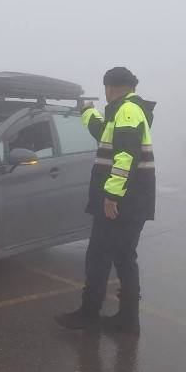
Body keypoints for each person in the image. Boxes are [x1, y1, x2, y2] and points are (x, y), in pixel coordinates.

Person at [54, 66, 156, 335]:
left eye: (106, 89)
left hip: (123, 201)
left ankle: (88, 314)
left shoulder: (127, 112)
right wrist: (86, 111)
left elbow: (125, 157)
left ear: (111, 88)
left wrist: (112, 195)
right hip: (134, 200)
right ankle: (128, 319)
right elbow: (104, 134)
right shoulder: (128, 111)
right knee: (124, 257)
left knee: (99, 256)